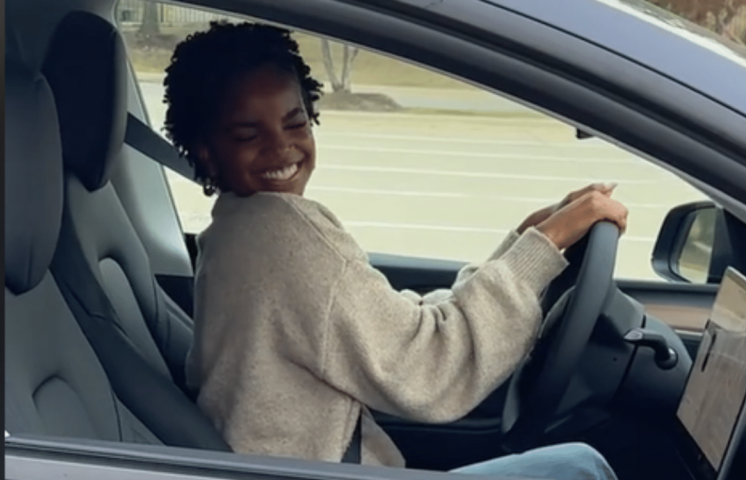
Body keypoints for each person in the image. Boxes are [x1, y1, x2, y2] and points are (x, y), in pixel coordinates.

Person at [163, 21, 628, 480]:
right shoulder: (281, 235)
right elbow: (428, 371)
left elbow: (391, 327)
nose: (281, 148)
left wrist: (525, 244)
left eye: (295, 123)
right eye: (248, 135)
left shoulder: (236, 229)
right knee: (578, 468)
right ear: (206, 151)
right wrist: (544, 248)